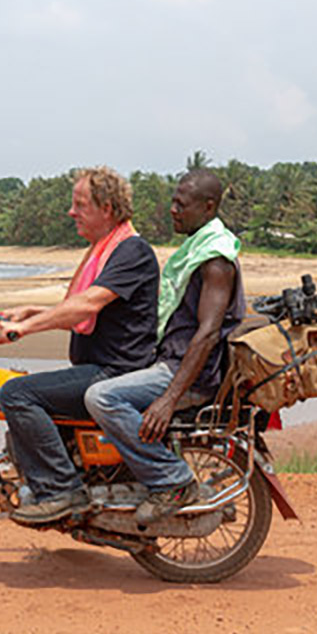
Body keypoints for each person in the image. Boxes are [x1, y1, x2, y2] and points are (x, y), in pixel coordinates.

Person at [0, 166, 160, 525]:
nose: (71, 213)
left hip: (114, 372)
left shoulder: (132, 251)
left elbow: (87, 306)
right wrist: (31, 311)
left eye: (80, 205)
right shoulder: (108, 249)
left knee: (16, 394)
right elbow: (84, 307)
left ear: (107, 209)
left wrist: (21, 330)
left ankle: (60, 491)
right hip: (100, 367)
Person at [84, 168, 245, 525]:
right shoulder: (197, 248)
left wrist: (169, 398)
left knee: (101, 397)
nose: (173, 209)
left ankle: (173, 481)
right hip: (170, 361)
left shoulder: (215, 259)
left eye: (181, 204)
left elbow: (206, 333)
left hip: (187, 372)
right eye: (172, 201)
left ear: (208, 207)